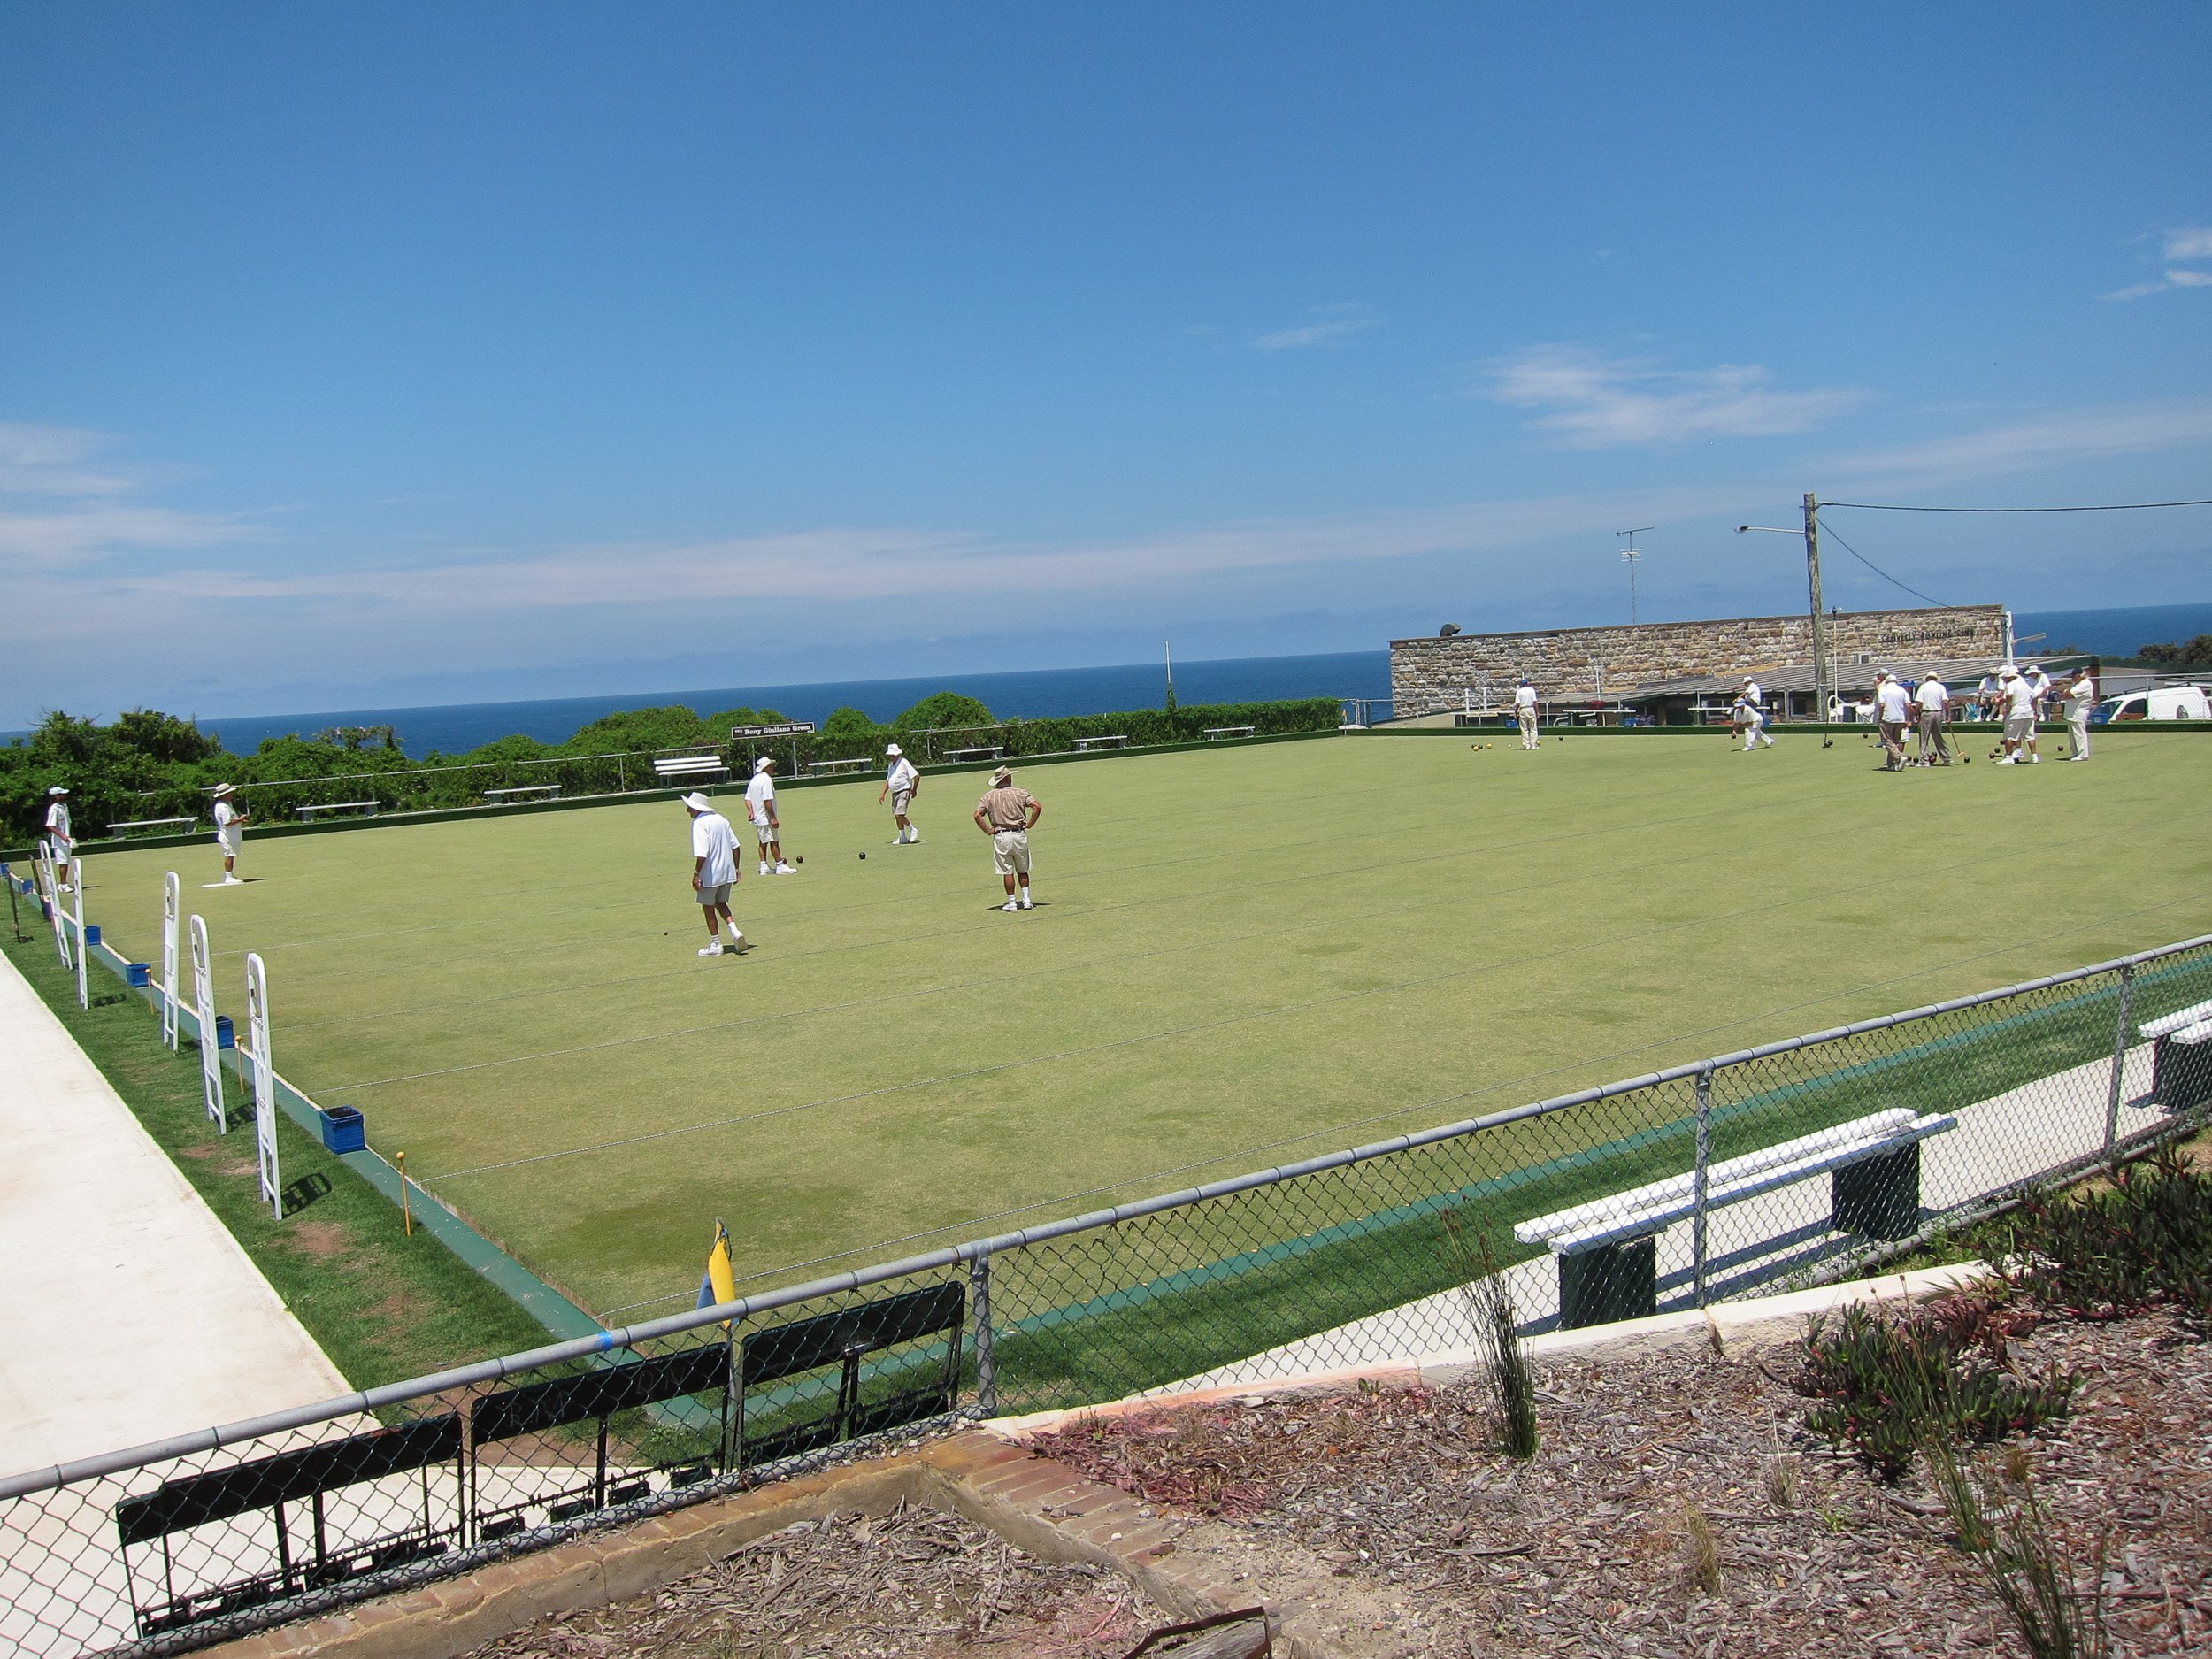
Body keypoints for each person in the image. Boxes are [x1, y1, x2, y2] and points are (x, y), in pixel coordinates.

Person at [681, 792, 749, 956]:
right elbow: (736, 846)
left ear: (697, 808)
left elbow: (702, 853)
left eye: (689, 807)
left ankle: (716, 944)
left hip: (711, 874)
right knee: (721, 903)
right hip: (727, 871)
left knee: (708, 907)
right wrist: (736, 868)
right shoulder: (722, 820)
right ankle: (735, 931)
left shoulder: (699, 823)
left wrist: (697, 873)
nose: (687, 810)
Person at [973, 764, 1041, 911]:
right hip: (1019, 834)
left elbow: (977, 814)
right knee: (1022, 869)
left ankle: (1012, 903)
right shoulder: (1020, 793)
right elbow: (1037, 807)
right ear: (1008, 778)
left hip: (1001, 836)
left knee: (1007, 871)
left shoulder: (988, 796)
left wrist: (988, 830)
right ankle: (1026, 900)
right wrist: (1029, 824)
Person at [744, 757, 794, 874]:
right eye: (771, 766)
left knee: (763, 841)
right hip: (765, 817)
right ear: (766, 768)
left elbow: (747, 798)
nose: (773, 768)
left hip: (758, 817)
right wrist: (773, 818)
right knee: (773, 840)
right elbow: (767, 801)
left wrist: (751, 811)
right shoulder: (766, 780)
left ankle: (763, 866)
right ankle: (779, 865)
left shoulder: (754, 780)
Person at [1995, 664, 2039, 764]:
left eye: (2006, 677)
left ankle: (2008, 757)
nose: (2005, 679)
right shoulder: (2025, 684)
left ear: (2011, 676)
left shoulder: (2011, 684)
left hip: (2017, 712)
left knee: (2010, 736)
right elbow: (2035, 696)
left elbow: (2009, 696)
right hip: (2028, 712)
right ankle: (2034, 756)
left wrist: (2001, 700)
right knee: (2030, 735)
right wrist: (2034, 710)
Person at [879, 742, 921, 843]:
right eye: (890, 755)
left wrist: (914, 790)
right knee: (896, 815)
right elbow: (889, 781)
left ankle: (913, 829)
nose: (891, 757)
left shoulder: (904, 762)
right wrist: (882, 793)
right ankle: (902, 837)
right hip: (894, 793)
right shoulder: (890, 766)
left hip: (904, 791)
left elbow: (917, 776)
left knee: (899, 814)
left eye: (893, 755)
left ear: (897, 754)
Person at [1872, 672, 1913, 771]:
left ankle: (1899, 757)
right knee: (1895, 742)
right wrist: (1908, 719)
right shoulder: (1902, 691)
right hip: (1900, 719)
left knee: (1887, 741)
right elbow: (1908, 705)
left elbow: (1881, 705)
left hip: (1887, 718)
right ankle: (1891, 765)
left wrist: (1880, 717)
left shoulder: (1883, 690)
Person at [1912, 671, 1954, 766]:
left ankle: (1924, 761)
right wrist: (1948, 715)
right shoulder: (1940, 687)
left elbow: (1919, 703)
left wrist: (1916, 714)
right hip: (1938, 713)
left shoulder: (1923, 687)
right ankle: (1946, 758)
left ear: (1927, 678)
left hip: (1927, 713)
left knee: (1924, 738)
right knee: (1938, 736)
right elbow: (1946, 702)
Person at [212, 783, 249, 884]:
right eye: (230, 793)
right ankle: (228, 877)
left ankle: (230, 876)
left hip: (232, 835)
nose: (232, 794)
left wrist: (239, 820)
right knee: (229, 855)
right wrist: (240, 820)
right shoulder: (223, 807)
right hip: (228, 836)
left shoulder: (227, 805)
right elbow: (227, 823)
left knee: (231, 855)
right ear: (224, 795)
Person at [42, 785, 73, 892]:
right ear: (56, 796)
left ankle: (63, 884)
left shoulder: (64, 806)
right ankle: (63, 884)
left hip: (66, 839)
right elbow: (50, 825)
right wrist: (63, 836)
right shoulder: (54, 809)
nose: (65, 795)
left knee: (66, 861)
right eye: (62, 794)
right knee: (62, 862)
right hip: (59, 840)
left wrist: (69, 836)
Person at [2063, 664, 2097, 761]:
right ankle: (2075, 753)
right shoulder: (2077, 684)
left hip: (2078, 712)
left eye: (2073, 677)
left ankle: (2083, 755)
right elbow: (2066, 693)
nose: (2072, 679)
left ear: (2078, 676)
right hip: (2071, 713)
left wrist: (2066, 690)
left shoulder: (2085, 684)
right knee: (2073, 736)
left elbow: (2069, 694)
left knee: (2079, 734)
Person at [1733, 686, 1773, 750]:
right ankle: (1769, 741)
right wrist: (1734, 731)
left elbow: (1751, 722)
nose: (1739, 707)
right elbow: (1736, 723)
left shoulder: (1748, 709)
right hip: (1751, 721)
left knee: (1749, 730)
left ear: (1743, 705)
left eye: (1740, 706)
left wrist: (1743, 725)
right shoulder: (1737, 711)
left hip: (1757, 720)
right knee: (1757, 733)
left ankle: (1748, 746)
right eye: (1738, 706)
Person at [1513, 678, 1540, 749]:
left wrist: (1515, 714)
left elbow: (1517, 704)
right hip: (1531, 709)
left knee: (1524, 729)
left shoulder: (1519, 691)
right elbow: (1535, 702)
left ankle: (1526, 745)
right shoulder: (1531, 690)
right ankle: (1534, 745)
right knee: (1533, 727)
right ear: (1527, 684)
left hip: (1523, 709)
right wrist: (1537, 712)